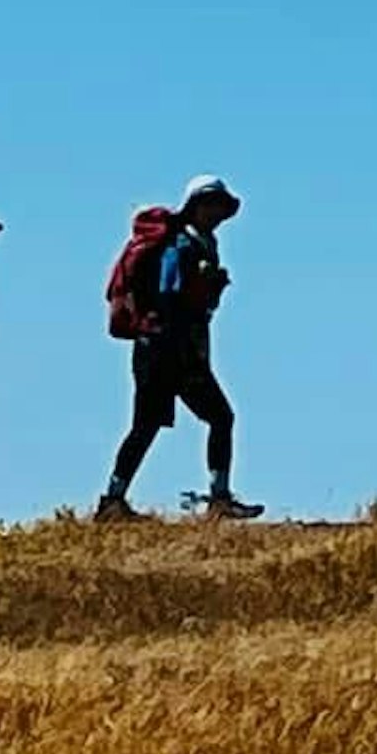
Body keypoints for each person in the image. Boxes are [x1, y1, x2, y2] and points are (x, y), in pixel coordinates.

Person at [100, 177, 262, 523]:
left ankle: (113, 500)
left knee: (150, 425)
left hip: (162, 348)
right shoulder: (183, 244)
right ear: (199, 205)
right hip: (170, 350)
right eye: (214, 204)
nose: (218, 213)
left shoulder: (200, 242)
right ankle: (217, 500)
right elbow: (170, 293)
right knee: (212, 418)